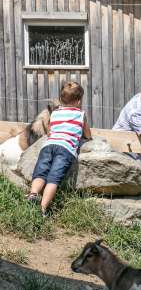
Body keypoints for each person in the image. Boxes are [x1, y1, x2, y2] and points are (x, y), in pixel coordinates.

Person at [25, 81, 91, 217]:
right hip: (65, 149)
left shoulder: (55, 113)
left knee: (40, 172)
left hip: (48, 146)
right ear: (79, 101)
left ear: (60, 99)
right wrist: (87, 138)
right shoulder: (81, 114)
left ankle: (33, 194)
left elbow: (50, 131)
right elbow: (87, 134)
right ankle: (42, 208)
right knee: (53, 179)